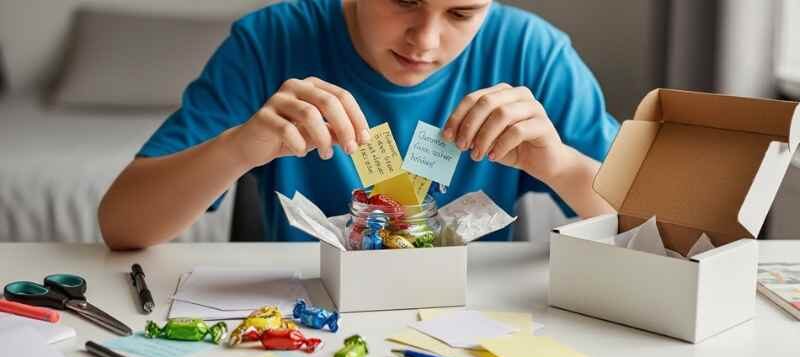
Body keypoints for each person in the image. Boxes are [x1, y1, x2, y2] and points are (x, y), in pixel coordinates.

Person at [98, 0, 618, 250]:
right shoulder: (270, 39)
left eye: (461, 13)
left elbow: (660, 234)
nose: (425, 42)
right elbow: (121, 226)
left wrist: (561, 165)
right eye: (404, 0)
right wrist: (238, 148)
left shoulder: (535, 53)